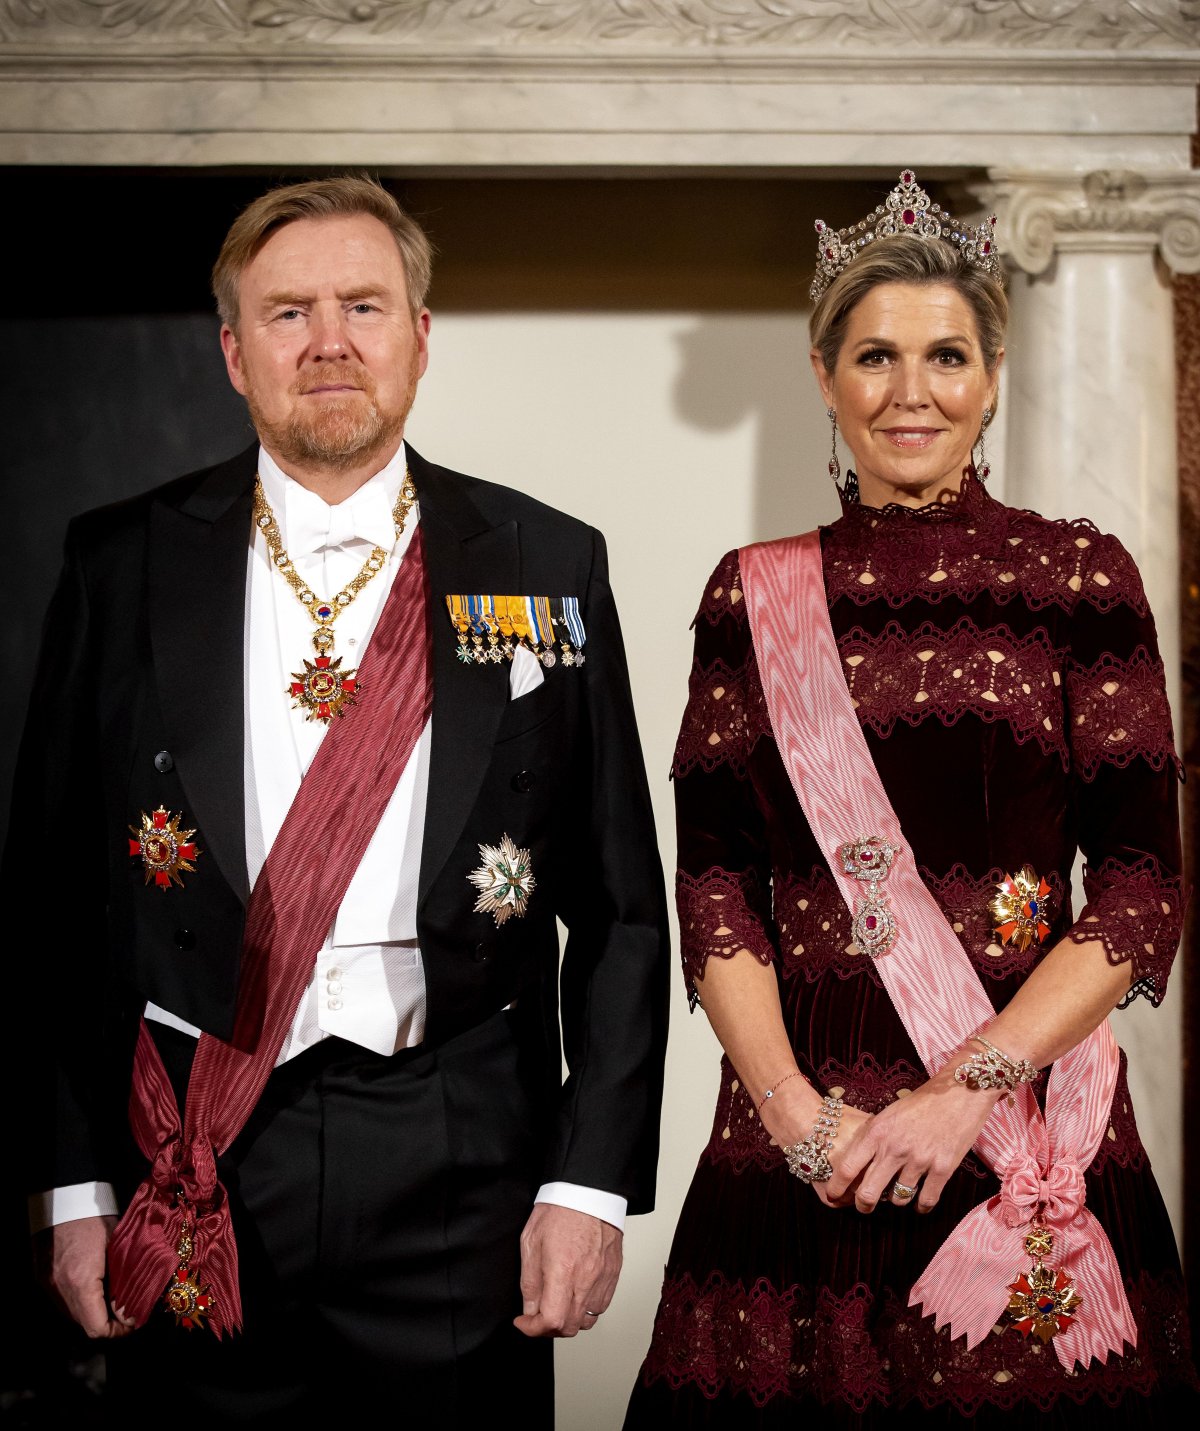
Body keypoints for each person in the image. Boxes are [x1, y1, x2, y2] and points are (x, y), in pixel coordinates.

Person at [6, 174, 669, 1425]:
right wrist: (75, 1186)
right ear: (232, 352)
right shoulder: (119, 561)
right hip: (196, 1145)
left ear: (420, 339)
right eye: (288, 312)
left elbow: (622, 906)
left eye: (364, 306)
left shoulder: (544, 558)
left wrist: (585, 1188)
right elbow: (48, 903)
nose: (328, 343)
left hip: (462, 1155)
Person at [624, 171, 1196, 1426]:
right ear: (824, 374)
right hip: (803, 1134)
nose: (910, 391)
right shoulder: (750, 593)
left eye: (946, 355)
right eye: (874, 356)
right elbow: (714, 882)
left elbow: (1146, 889)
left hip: (1020, 1116)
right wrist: (797, 1118)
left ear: (992, 373)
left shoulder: (1078, 578)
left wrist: (962, 1095)